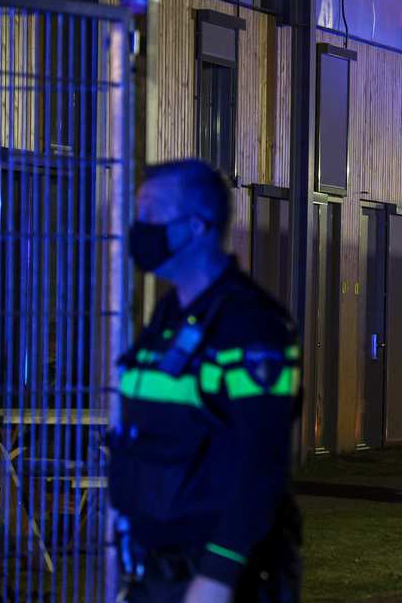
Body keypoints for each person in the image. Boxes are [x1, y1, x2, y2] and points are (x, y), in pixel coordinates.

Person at [110, 159, 301, 602]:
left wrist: (216, 577)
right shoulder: (168, 317)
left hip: (216, 578)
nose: (139, 228)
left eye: (151, 215)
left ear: (196, 227)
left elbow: (261, 462)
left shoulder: (251, 326)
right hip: (157, 569)